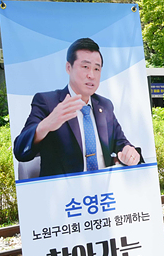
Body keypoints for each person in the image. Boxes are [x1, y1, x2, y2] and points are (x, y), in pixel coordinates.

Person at [13, 37, 142, 177]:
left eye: (97, 69)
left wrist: (130, 152)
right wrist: (46, 124)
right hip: (66, 194)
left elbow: (121, 143)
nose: (91, 75)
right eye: (85, 67)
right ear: (69, 68)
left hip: (104, 192)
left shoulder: (105, 106)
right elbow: (20, 152)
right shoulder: (48, 102)